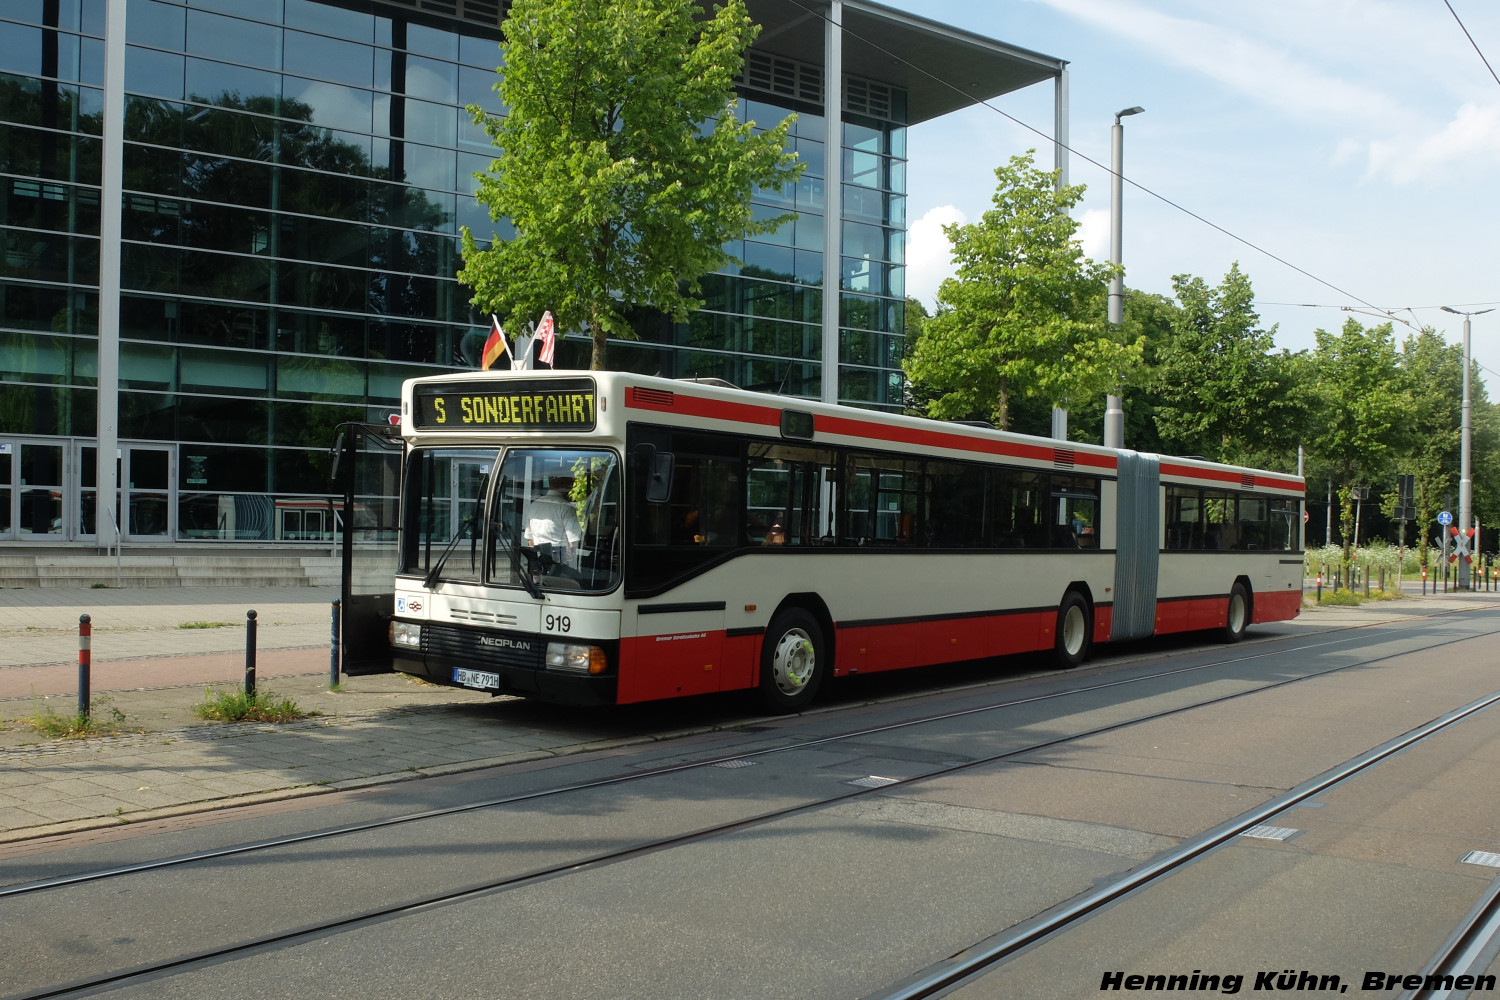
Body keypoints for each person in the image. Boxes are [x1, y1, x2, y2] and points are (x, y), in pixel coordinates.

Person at [526, 473, 583, 569]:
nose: (572, 487)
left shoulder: (534, 505)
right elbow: (573, 543)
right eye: (570, 482)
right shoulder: (565, 507)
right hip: (560, 564)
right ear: (562, 484)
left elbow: (530, 540)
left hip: (538, 564)